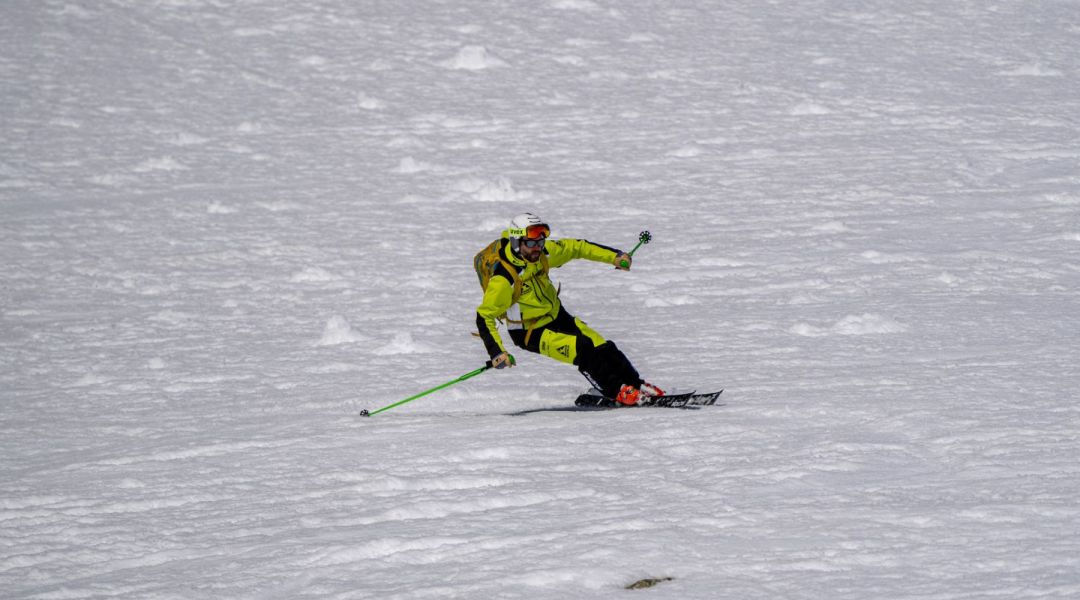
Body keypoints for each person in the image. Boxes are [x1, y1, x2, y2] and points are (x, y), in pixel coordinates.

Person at [474, 212, 664, 406]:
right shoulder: (504, 279)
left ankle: (635, 384)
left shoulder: (543, 254)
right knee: (583, 350)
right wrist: (497, 352)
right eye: (531, 244)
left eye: (540, 242)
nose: (537, 248)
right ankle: (617, 391)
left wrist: (614, 257)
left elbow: (576, 248)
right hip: (530, 332)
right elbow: (484, 316)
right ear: (516, 242)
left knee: (601, 345)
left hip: (557, 315)